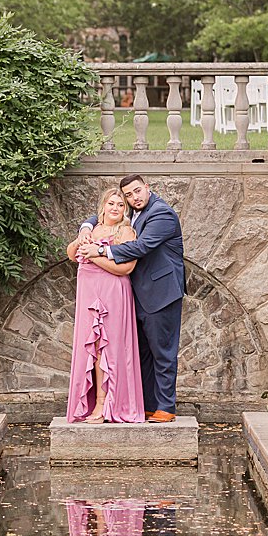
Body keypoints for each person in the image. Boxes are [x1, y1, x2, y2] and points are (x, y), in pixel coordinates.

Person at [67, 174, 184, 422]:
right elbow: (106, 211)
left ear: (147, 188)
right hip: (138, 293)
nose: (133, 198)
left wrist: (99, 250)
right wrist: (86, 227)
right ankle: (149, 404)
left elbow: (141, 248)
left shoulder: (162, 214)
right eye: (128, 195)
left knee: (162, 351)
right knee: (143, 353)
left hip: (161, 292)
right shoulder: (134, 210)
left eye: (137, 192)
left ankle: (166, 407)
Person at [67, 188, 145, 424]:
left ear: (125, 210)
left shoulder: (126, 232)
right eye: (111, 203)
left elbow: (126, 269)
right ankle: (89, 403)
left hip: (113, 292)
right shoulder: (92, 229)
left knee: (106, 349)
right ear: (103, 206)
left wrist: (94, 256)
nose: (115, 208)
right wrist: (81, 238)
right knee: (90, 347)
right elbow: (72, 254)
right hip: (88, 294)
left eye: (120, 205)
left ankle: (105, 404)